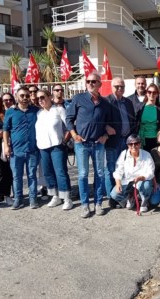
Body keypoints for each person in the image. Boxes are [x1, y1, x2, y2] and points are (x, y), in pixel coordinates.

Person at [66, 73, 112, 218]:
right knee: (83, 175)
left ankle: (98, 203)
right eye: (88, 81)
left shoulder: (105, 103)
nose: (90, 83)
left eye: (94, 81)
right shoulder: (78, 99)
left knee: (99, 174)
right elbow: (68, 119)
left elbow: (108, 124)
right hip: (82, 144)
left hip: (98, 144)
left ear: (100, 84)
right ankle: (85, 205)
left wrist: (105, 136)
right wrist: (74, 135)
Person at [3, 86, 41, 210]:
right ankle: (18, 199)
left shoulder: (36, 110)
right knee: (17, 176)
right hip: (16, 150)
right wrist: (6, 146)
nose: (25, 98)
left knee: (32, 175)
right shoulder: (10, 112)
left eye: (27, 95)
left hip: (32, 149)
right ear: (17, 97)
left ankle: (33, 199)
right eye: (22, 95)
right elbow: (5, 130)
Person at [35, 89, 73, 210]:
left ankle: (67, 198)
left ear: (50, 97)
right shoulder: (39, 114)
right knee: (47, 172)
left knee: (60, 172)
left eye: (42, 97)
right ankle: (55, 196)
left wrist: (65, 141)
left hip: (57, 146)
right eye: (38, 98)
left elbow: (69, 126)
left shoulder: (59, 110)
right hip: (43, 147)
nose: (40, 100)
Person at [105, 77, 136, 201]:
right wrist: (106, 127)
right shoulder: (106, 101)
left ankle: (121, 195)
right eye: (117, 86)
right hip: (113, 141)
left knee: (125, 168)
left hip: (126, 141)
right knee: (111, 169)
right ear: (112, 87)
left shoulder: (128, 102)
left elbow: (132, 120)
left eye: (122, 86)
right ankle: (111, 197)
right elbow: (101, 119)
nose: (119, 88)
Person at [111, 134, 155, 213]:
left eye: (136, 143)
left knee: (147, 185)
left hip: (142, 181)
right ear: (127, 145)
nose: (133, 146)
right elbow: (118, 171)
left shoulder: (146, 155)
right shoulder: (123, 154)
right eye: (131, 144)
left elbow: (151, 172)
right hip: (128, 182)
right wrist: (118, 183)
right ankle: (131, 197)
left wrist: (141, 178)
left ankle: (144, 201)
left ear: (140, 144)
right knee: (114, 194)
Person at [135, 83, 160, 152]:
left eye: (154, 92)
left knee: (155, 161)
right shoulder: (139, 107)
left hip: (156, 140)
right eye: (149, 92)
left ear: (157, 94)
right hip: (142, 140)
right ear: (146, 93)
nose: (151, 94)